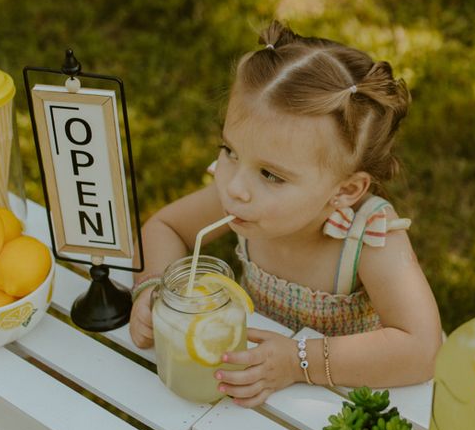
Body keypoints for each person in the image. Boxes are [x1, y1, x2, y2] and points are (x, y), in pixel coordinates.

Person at [129, 20, 442, 407]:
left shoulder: (368, 236)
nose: (234, 186)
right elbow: (165, 226)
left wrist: (299, 361)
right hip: (250, 387)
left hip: (339, 402)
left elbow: (421, 349)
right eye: (230, 151)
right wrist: (153, 289)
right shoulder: (242, 200)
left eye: (270, 175)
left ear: (345, 191)